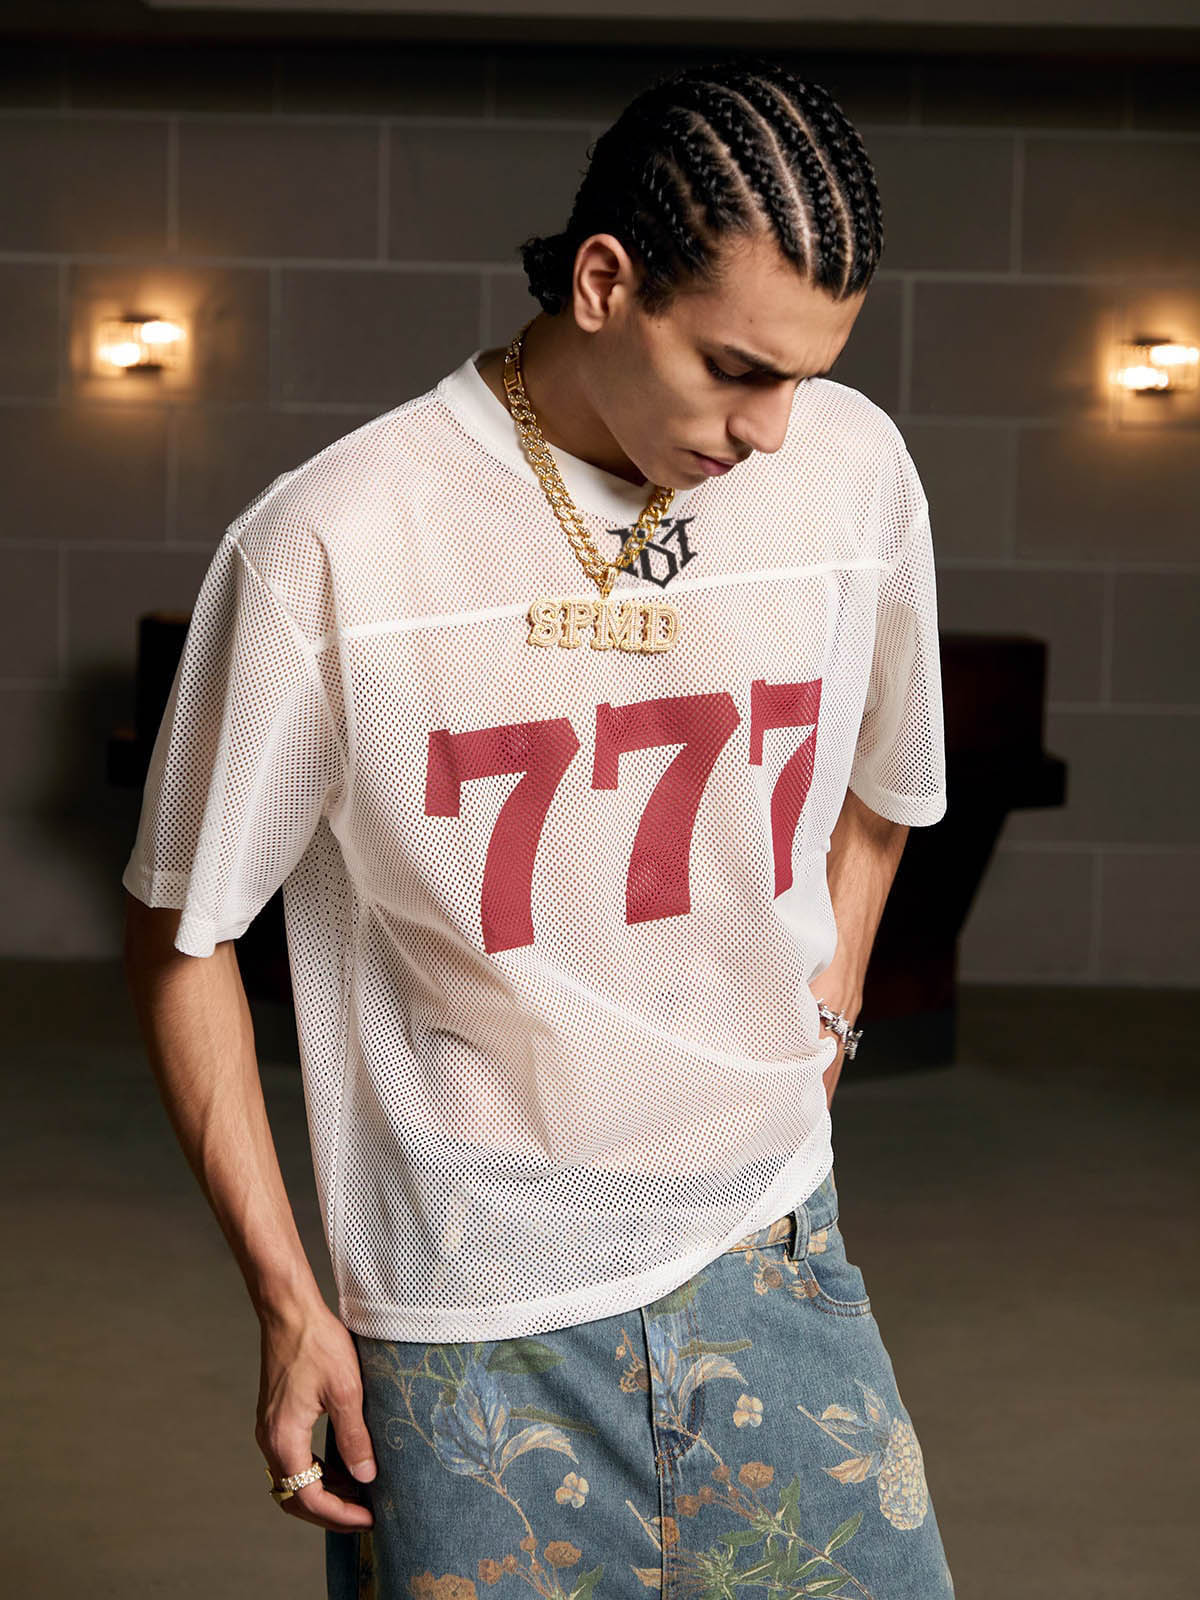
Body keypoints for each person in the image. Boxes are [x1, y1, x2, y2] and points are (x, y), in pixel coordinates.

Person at [121, 52, 955, 1598]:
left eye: (807, 375)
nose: (774, 428)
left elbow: (885, 787)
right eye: (736, 370)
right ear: (604, 282)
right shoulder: (334, 544)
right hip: (468, 1310)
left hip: (773, 1242)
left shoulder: (850, 477)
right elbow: (184, 936)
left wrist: (829, 1008)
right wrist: (288, 1301)